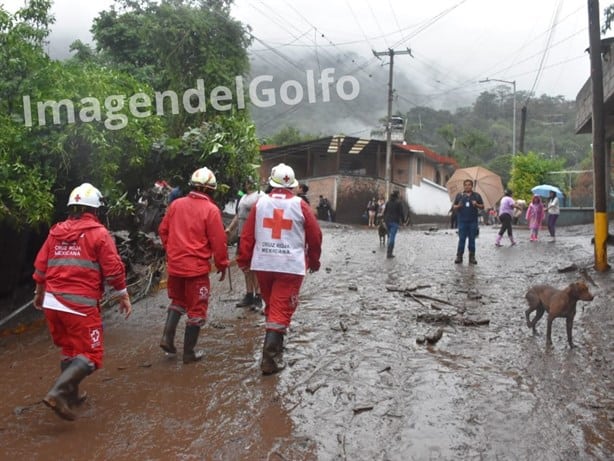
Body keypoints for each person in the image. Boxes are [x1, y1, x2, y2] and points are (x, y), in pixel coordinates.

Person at [32, 183, 132, 421]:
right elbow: (113, 270)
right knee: (91, 354)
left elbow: (40, 265)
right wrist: (123, 294)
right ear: (95, 210)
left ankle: (71, 396)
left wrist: (38, 292)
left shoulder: (56, 231)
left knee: (70, 349)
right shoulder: (99, 234)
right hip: (79, 306)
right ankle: (57, 393)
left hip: (52, 303)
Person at [237, 163, 322, 375]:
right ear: (292, 185)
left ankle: (276, 347)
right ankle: (270, 359)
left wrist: (245, 260)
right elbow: (315, 235)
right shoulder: (300, 205)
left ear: (271, 183)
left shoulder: (260, 204)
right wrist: (314, 260)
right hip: (290, 267)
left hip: (263, 265)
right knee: (281, 309)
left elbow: (247, 235)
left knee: (272, 306)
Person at [158, 166, 229, 364]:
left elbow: (163, 230)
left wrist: (171, 250)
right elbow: (218, 241)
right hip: (196, 270)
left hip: (176, 266)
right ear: (210, 190)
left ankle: (167, 338)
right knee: (197, 309)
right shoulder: (211, 210)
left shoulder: (176, 205)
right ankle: (189, 353)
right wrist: (222, 264)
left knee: (178, 301)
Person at [225, 177, 264, 310]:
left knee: (255, 267)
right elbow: (238, 215)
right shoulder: (243, 198)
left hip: (254, 236)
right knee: (245, 266)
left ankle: (258, 296)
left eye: (249, 182)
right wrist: (230, 228)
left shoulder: (260, 195)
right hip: (242, 236)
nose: (247, 184)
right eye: (246, 182)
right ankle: (249, 294)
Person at [452, 179, 484, 264]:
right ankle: (459, 256)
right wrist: (458, 206)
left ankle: (472, 257)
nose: (467, 186)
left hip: (473, 221)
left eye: (469, 184)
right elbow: (454, 207)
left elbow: (482, 206)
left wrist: (476, 204)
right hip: (462, 221)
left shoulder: (477, 196)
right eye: (465, 185)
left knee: (472, 239)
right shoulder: (459, 195)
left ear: (472, 186)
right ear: (463, 186)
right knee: (461, 239)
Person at [383, 190, 404, 258]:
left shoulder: (388, 202)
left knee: (389, 235)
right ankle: (389, 253)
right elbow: (401, 213)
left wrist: (384, 220)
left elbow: (385, 212)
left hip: (387, 221)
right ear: (397, 195)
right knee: (392, 237)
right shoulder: (398, 203)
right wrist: (403, 221)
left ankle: (389, 252)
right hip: (394, 221)